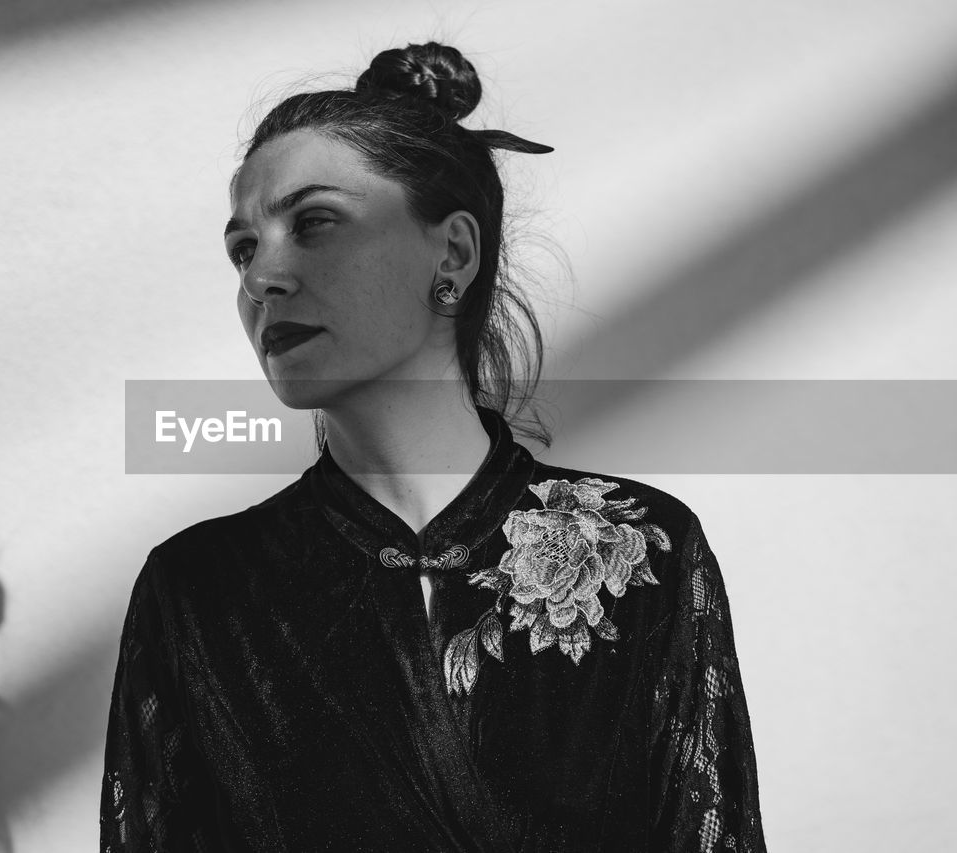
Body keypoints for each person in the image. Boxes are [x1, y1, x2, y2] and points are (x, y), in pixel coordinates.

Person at [102, 41, 766, 852]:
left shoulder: (643, 550)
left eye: (315, 224)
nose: (260, 277)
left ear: (451, 252)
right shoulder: (198, 591)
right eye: (243, 247)